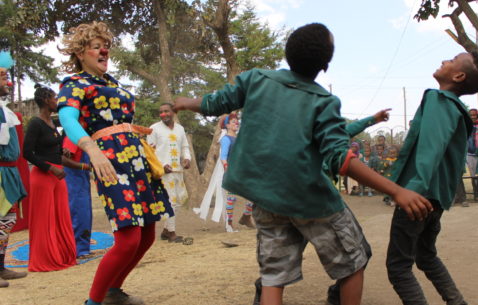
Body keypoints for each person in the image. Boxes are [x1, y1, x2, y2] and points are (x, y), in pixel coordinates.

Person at [173, 23, 432, 305]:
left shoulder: (255, 80)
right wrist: (395, 190)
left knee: (274, 275)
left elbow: (216, 103)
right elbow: (339, 157)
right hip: (313, 202)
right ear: (326, 66)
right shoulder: (324, 101)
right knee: (353, 261)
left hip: (267, 201)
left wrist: (187, 102)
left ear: (287, 53)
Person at [56, 22, 173, 305]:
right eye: (95, 47)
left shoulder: (113, 84)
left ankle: (113, 292)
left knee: (146, 236)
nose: (103, 50)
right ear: (81, 54)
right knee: (128, 239)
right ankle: (93, 302)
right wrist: (91, 149)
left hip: (136, 159)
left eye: (104, 46)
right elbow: (68, 119)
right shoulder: (75, 84)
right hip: (110, 161)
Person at [386, 51, 478, 305]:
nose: (444, 60)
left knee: (399, 267)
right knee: (425, 256)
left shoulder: (439, 100)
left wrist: (412, 190)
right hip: (436, 199)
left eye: (452, 60)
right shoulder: (459, 110)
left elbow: (430, 149)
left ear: (458, 75)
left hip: (418, 194)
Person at [23, 85, 82, 272]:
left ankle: (63, 255)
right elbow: (27, 153)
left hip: (58, 176)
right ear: (46, 100)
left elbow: (52, 150)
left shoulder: (53, 124)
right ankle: (45, 259)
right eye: (55, 98)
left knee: (61, 217)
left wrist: (61, 152)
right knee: (45, 219)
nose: (57, 101)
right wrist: (49, 168)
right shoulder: (35, 123)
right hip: (43, 176)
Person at [0, 51, 27, 287]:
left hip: (9, 171)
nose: (7, 82)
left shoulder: (5, 110)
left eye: (6, 76)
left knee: (6, 221)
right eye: (1, 77)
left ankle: (0, 267)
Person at [147, 103, 191, 241]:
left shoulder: (180, 129)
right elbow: (150, 151)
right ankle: (172, 233)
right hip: (163, 171)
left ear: (174, 112)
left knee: (179, 200)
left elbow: (185, 147)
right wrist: (161, 165)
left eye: (166, 111)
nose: (163, 114)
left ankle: (166, 230)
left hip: (178, 169)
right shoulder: (154, 129)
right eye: (161, 112)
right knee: (171, 200)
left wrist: (187, 159)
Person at [219, 114, 255, 231]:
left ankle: (246, 216)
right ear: (227, 125)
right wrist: (226, 167)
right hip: (232, 171)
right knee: (232, 197)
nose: (236, 123)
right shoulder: (225, 139)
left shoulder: (239, 138)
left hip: (243, 171)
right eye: (233, 122)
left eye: (237, 121)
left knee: (253, 195)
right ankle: (229, 224)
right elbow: (223, 156)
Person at [63, 136, 93, 257]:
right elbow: (64, 159)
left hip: (82, 179)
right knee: (79, 212)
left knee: (85, 212)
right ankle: (78, 248)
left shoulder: (84, 137)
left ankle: (83, 246)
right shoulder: (73, 138)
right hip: (74, 179)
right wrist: (85, 167)